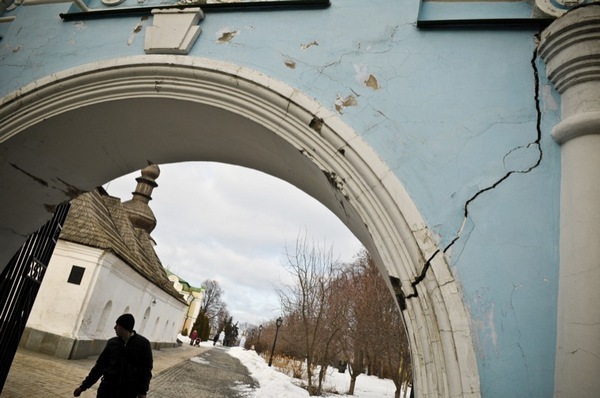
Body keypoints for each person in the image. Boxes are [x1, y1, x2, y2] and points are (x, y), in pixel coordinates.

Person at [73, 313, 153, 398]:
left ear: (125, 327)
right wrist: (83, 387)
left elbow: (146, 370)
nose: (114, 327)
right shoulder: (112, 342)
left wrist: (142, 391)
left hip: (128, 392)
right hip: (107, 390)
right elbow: (99, 367)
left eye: (117, 325)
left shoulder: (143, 344)